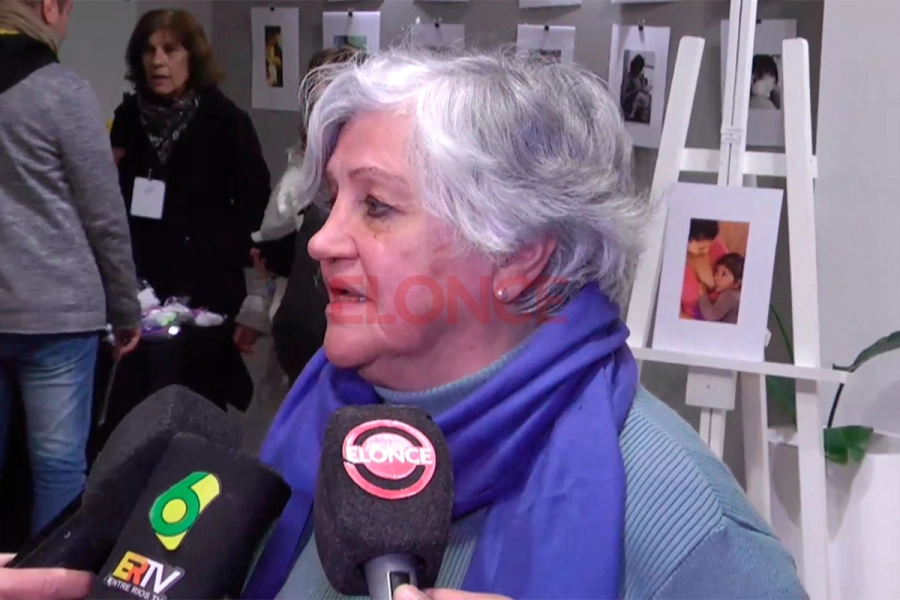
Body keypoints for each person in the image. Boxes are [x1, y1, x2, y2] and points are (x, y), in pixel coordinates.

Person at [0, 45, 807, 600]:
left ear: (521, 255)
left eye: (378, 206)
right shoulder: (316, 424)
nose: (322, 240)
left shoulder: (684, 526)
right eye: (334, 201)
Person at [0, 0, 141, 535]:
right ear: (48, 8)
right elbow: (104, 215)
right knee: (58, 467)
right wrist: (125, 308)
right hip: (59, 314)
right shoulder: (63, 91)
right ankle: (51, 575)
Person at [111, 8, 270, 332]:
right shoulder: (127, 119)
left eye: (170, 50)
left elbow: (256, 208)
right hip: (141, 288)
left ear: (192, 57)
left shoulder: (227, 122)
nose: (157, 61)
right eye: (149, 50)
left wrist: (216, 247)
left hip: (208, 290)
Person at [234, 46, 362, 388]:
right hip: (298, 335)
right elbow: (265, 263)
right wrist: (254, 315)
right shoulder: (296, 184)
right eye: (322, 107)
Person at [681, 218, 727, 319]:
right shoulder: (671, 266)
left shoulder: (716, 246)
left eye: (711, 245)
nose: (707, 251)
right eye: (701, 248)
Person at [695, 252, 744, 324]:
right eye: (716, 272)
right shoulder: (736, 294)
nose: (716, 277)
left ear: (736, 283)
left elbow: (711, 316)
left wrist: (703, 295)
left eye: (724, 274)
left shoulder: (730, 295)